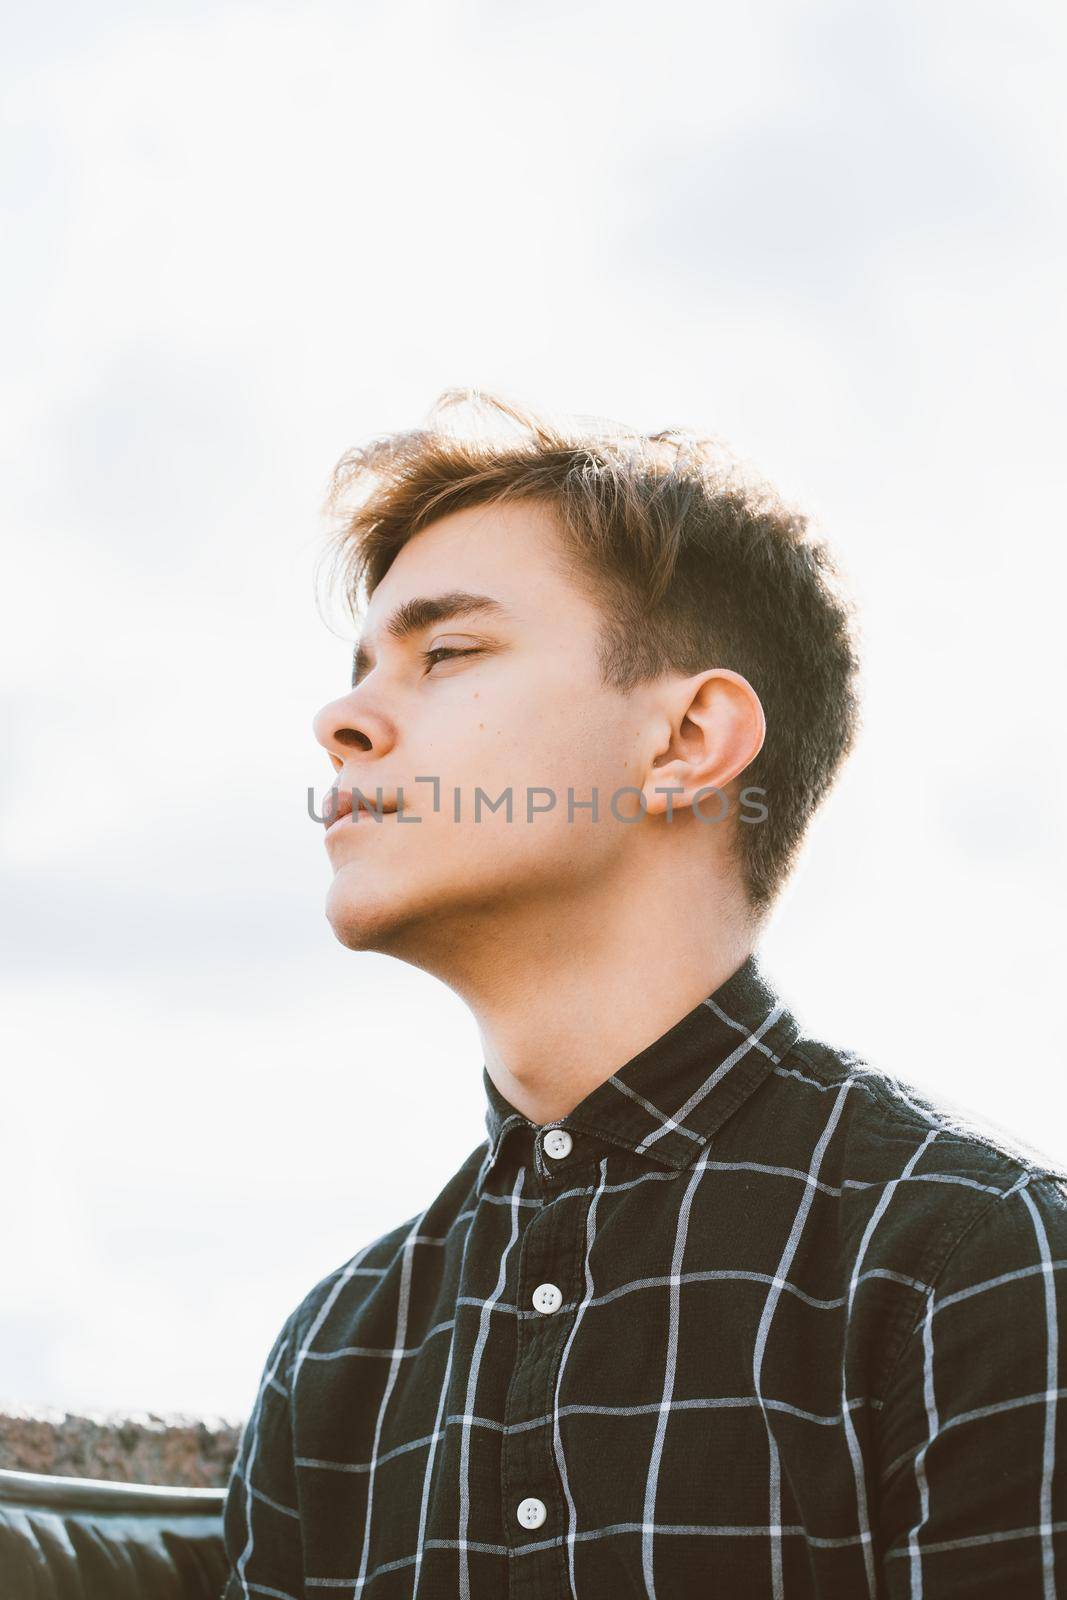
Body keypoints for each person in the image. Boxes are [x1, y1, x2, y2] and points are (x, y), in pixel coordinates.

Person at [221, 391, 1067, 1598]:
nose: (341, 719)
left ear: (685, 739)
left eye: (443, 652)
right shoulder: (336, 1356)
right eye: (361, 670)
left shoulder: (976, 1268)